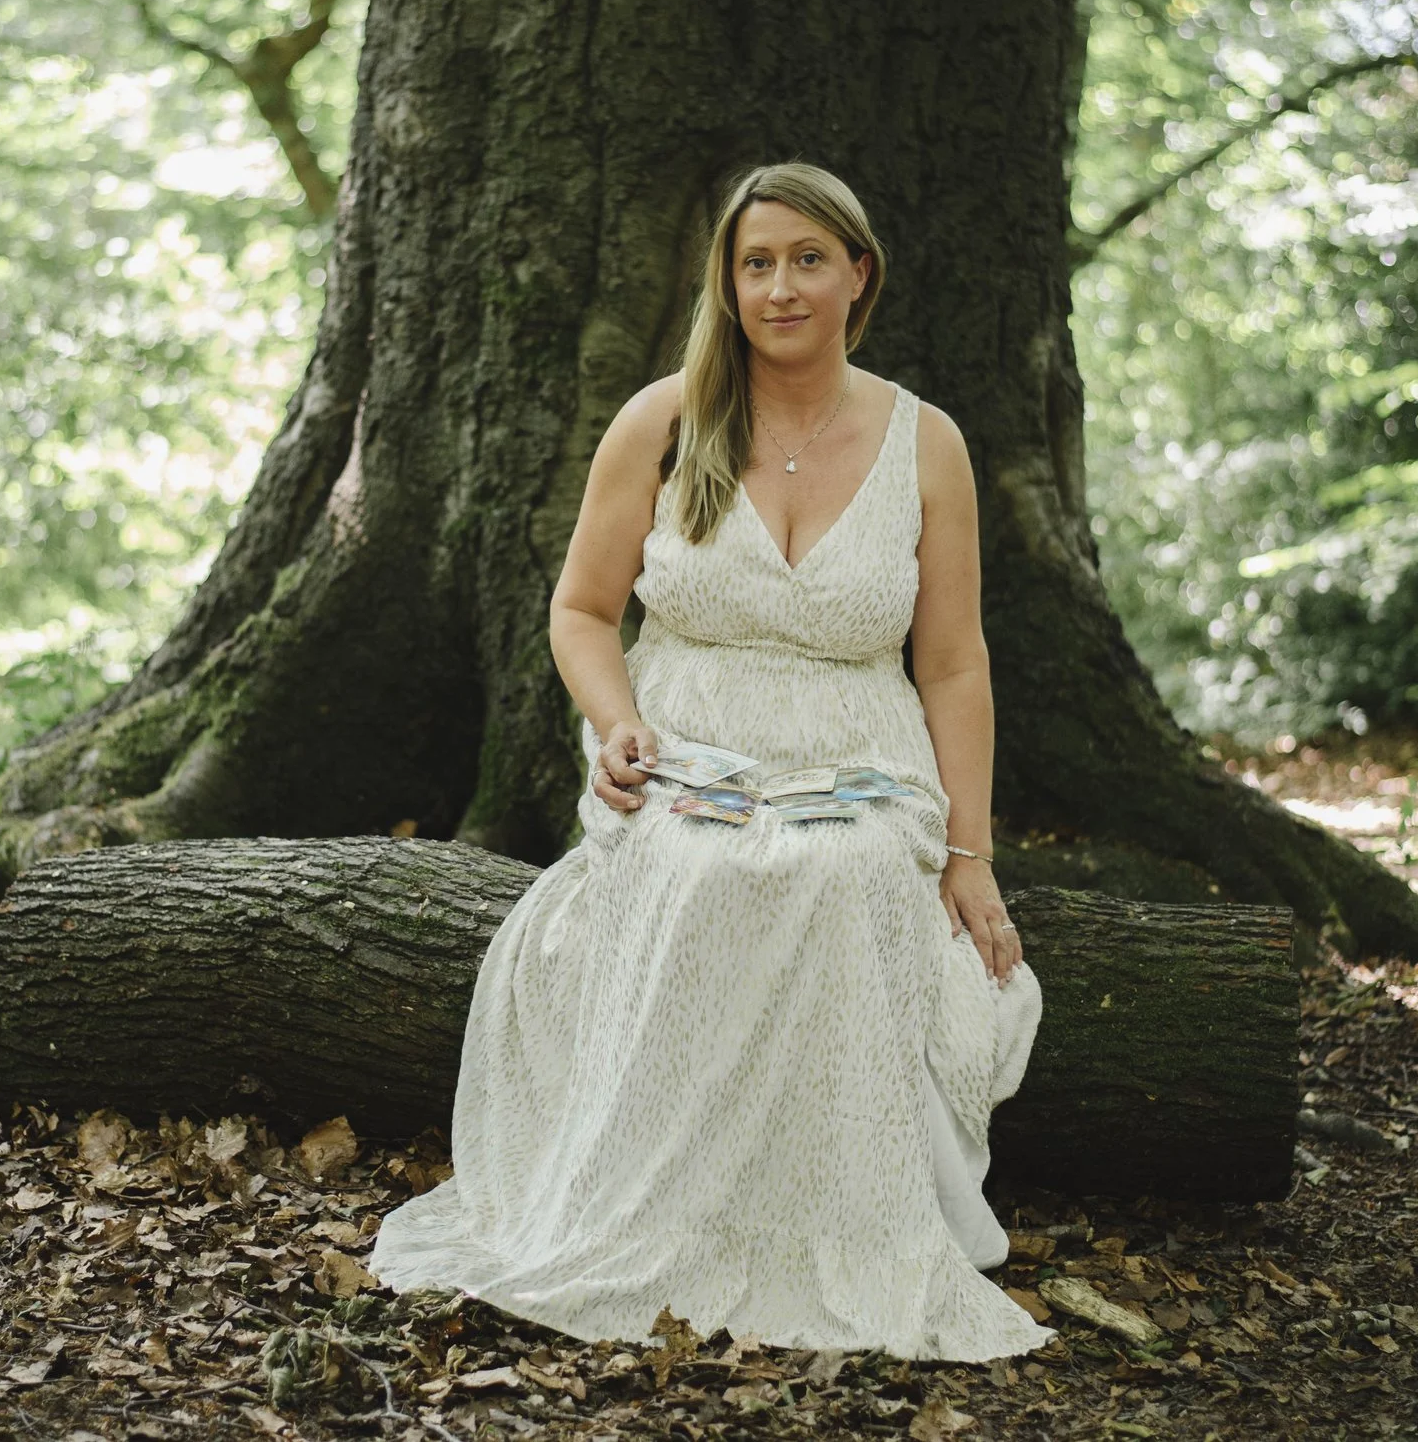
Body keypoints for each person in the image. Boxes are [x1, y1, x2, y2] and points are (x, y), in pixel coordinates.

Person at [367, 161, 1053, 1361]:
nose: (779, 286)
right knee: (693, 872)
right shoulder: (664, 420)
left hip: (859, 754)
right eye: (754, 263)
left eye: (805, 259)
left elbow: (952, 664)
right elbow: (581, 611)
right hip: (686, 741)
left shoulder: (924, 442)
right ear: (726, 284)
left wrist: (969, 852)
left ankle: (835, 1223)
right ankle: (654, 1211)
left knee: (836, 883)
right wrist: (616, 719)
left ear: (858, 274)